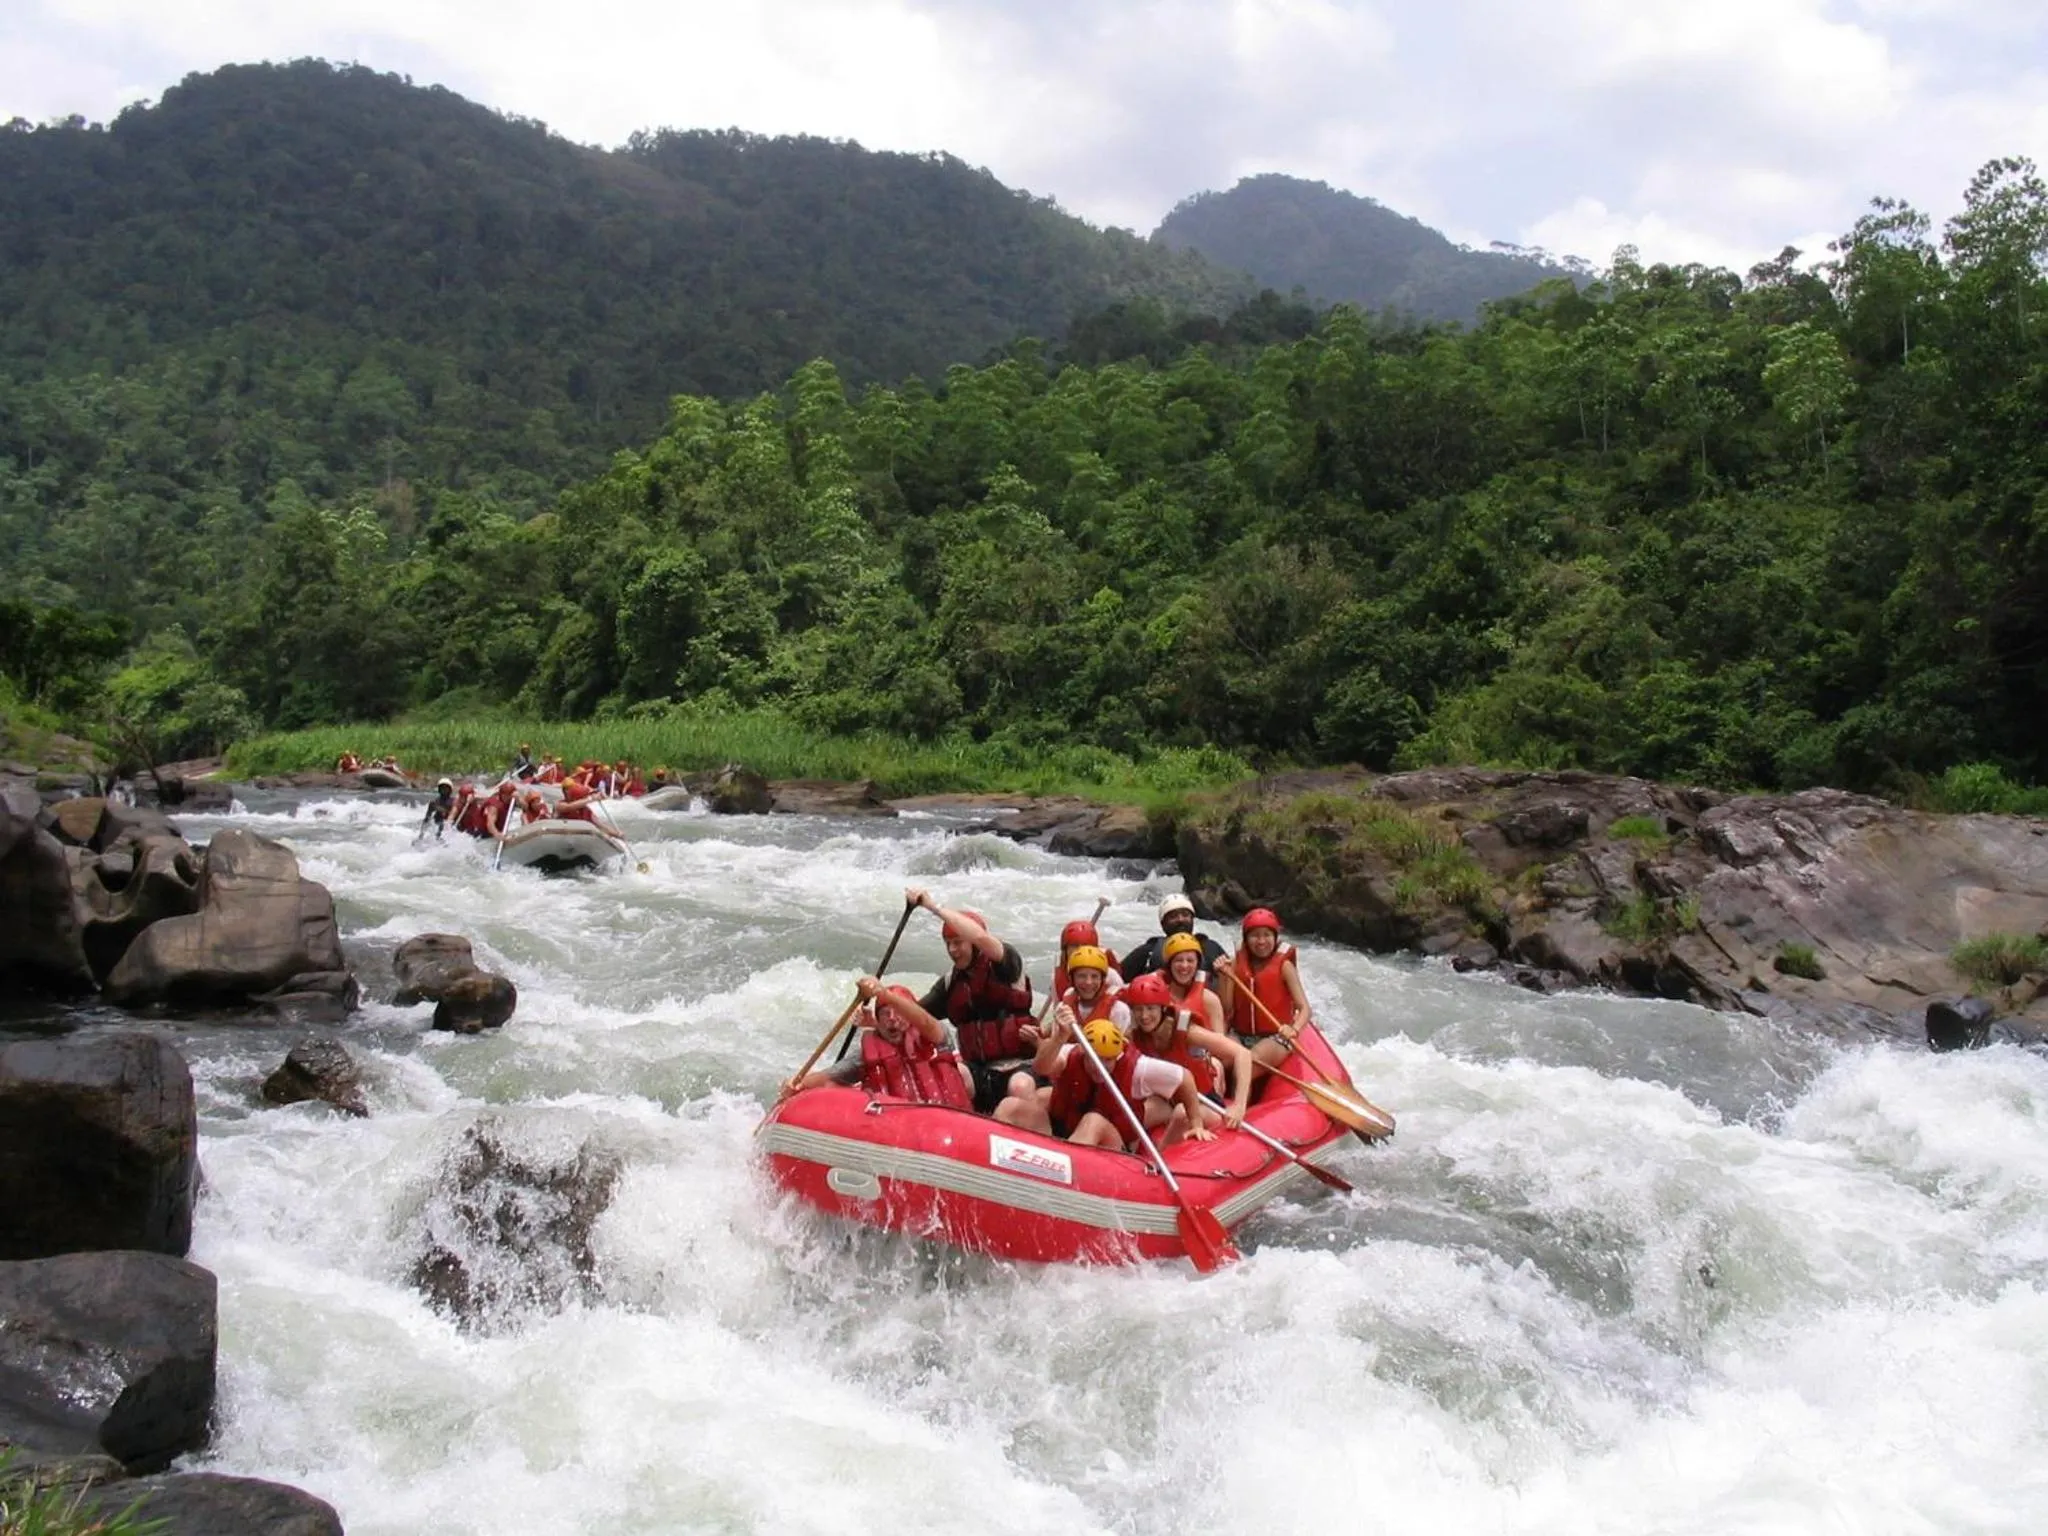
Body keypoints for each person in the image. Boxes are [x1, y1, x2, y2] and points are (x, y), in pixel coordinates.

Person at [908, 886, 1039, 1113]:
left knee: (1020, 1086)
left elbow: (980, 936)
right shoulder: (950, 983)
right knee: (951, 1073)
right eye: (948, 943)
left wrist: (932, 907)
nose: (952, 950)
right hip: (978, 1070)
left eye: (958, 942)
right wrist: (881, 1006)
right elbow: (916, 1013)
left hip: (1019, 1066)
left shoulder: (1006, 963)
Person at [1000, 1018, 1214, 1150]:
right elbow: (1041, 1068)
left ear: (1117, 1055)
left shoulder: (1140, 1067)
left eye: (1107, 1060)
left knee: (1093, 1120)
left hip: (1113, 1149)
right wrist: (1059, 1038)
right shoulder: (1071, 1054)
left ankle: (1067, 1179)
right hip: (1061, 1133)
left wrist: (1196, 1122)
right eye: (1093, 1060)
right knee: (1011, 1105)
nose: (1098, 1067)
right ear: (1084, 1053)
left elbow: (1184, 1077)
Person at [784, 977, 973, 1107]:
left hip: (948, 1120)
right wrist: (797, 1085)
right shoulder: (866, 1054)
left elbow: (924, 1021)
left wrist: (883, 993)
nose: (892, 1018)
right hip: (895, 1126)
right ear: (878, 1020)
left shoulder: (936, 1036)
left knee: (963, 1072)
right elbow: (828, 1078)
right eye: (885, 1013)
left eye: (898, 1012)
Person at [1123, 970, 1252, 1133]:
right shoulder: (1133, 1035)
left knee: (1181, 1113)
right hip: (1166, 1100)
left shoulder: (1187, 1031)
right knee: (1131, 1116)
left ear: (1163, 1009)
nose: (1144, 1016)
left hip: (1203, 1103)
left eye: (1150, 1008)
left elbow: (1243, 1054)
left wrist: (1239, 1105)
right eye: (1138, 1009)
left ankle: (1162, 1155)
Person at [1216, 908, 1312, 1070]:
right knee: (1220, 1061)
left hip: (1276, 1036)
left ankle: (1239, 1095)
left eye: (1267, 935)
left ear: (1275, 938)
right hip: (1240, 1034)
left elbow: (1305, 1009)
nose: (1261, 942)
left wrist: (1293, 1029)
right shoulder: (1234, 964)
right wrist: (1223, 976)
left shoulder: (1285, 966)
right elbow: (1226, 1007)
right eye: (1255, 935)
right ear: (1246, 939)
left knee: (1247, 1063)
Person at [1120, 894, 1229, 980]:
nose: (1180, 919)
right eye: (1173, 916)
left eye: (1185, 915)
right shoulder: (1149, 950)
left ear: (1192, 920)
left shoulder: (1211, 947)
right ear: (1163, 924)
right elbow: (1117, 976)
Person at [1051, 919, 1122, 1000]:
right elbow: (1057, 1007)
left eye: (1085, 945)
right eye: (1075, 946)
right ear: (1065, 950)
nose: (1080, 950)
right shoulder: (1057, 978)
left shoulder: (1110, 974)